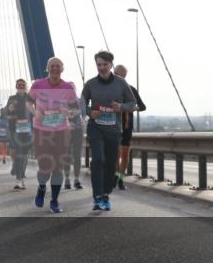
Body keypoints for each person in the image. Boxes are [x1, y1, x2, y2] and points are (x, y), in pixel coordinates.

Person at [82, 50, 136, 211]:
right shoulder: (91, 84)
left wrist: (121, 107)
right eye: (99, 64)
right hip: (96, 128)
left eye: (105, 64)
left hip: (113, 130)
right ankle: (97, 197)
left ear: (111, 64)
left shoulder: (121, 83)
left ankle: (105, 194)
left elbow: (133, 104)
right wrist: (90, 112)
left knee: (111, 164)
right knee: (98, 160)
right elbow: (81, 103)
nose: (102, 67)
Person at [29, 58, 79, 213]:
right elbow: (27, 102)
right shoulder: (37, 85)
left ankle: (55, 201)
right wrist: (34, 111)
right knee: (44, 166)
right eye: (52, 66)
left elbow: (76, 110)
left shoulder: (68, 87)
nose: (55, 68)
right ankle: (42, 187)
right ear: (47, 69)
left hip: (61, 131)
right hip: (41, 130)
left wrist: (69, 112)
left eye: (58, 66)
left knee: (58, 167)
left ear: (62, 69)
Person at [114, 64, 146, 190]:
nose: (120, 79)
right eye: (118, 76)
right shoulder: (109, 89)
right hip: (112, 126)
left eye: (123, 77)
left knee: (125, 155)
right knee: (115, 155)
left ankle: (120, 178)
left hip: (127, 126)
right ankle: (116, 176)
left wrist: (134, 108)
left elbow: (143, 107)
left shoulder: (131, 89)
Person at [5, 78, 35, 190]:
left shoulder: (31, 98)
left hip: (29, 130)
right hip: (15, 130)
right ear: (16, 86)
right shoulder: (11, 99)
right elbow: (5, 113)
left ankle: (20, 175)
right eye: (19, 84)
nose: (21, 86)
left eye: (23, 84)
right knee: (19, 153)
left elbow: (37, 111)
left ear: (26, 86)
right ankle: (19, 179)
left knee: (24, 154)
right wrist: (9, 109)